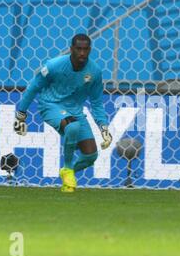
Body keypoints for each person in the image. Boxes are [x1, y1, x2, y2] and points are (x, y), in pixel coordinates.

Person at [14, 34, 113, 193]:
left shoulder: (94, 72)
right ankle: (67, 169)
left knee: (90, 156)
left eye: (85, 49)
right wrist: (21, 115)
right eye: (78, 49)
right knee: (72, 126)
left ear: (90, 50)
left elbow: (96, 103)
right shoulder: (54, 65)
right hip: (50, 105)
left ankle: (68, 172)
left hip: (75, 111)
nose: (82, 53)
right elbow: (33, 88)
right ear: (71, 49)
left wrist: (104, 128)